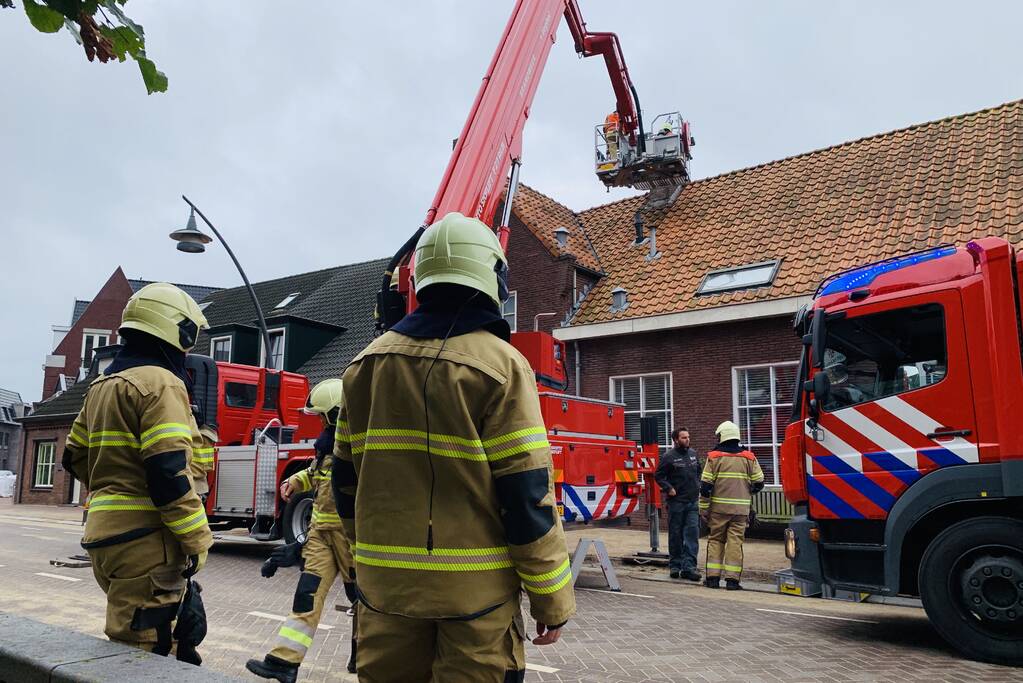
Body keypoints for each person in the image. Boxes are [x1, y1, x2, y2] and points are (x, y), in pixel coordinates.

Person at [332, 211, 576, 682]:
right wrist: (551, 597)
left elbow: (344, 487)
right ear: (491, 276)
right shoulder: (502, 366)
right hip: (476, 604)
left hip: (385, 598)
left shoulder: (363, 367)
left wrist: (363, 568)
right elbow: (526, 496)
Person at [62, 283, 213, 658]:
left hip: (105, 540)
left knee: (159, 641)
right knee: (143, 652)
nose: (187, 349)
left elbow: (73, 457)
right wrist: (197, 539)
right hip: (146, 542)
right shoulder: (162, 383)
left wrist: (115, 484)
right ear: (175, 330)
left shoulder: (101, 385)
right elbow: (168, 472)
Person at [246, 378, 356, 683]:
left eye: (321, 416)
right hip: (321, 535)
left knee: (365, 602)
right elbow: (314, 474)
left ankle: (364, 657)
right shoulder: (326, 447)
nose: (318, 422)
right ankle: (284, 662)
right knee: (307, 595)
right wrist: (295, 481)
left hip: (352, 540)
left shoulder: (359, 448)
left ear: (334, 415)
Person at [699, 421, 764, 590]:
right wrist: (746, 492)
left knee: (716, 541)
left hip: (718, 510)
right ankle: (732, 582)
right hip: (741, 511)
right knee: (735, 543)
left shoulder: (714, 457)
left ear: (723, 436)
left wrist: (703, 509)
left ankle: (712, 580)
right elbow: (759, 482)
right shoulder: (749, 457)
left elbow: (705, 487)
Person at [653, 427, 702, 581]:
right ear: (675, 440)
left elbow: (698, 472)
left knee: (692, 535)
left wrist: (698, 486)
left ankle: (689, 568)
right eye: (683, 437)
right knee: (676, 534)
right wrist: (669, 488)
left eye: (688, 437)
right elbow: (659, 476)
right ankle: (675, 566)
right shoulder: (669, 457)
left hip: (692, 502)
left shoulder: (693, 454)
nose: (687, 439)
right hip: (677, 503)